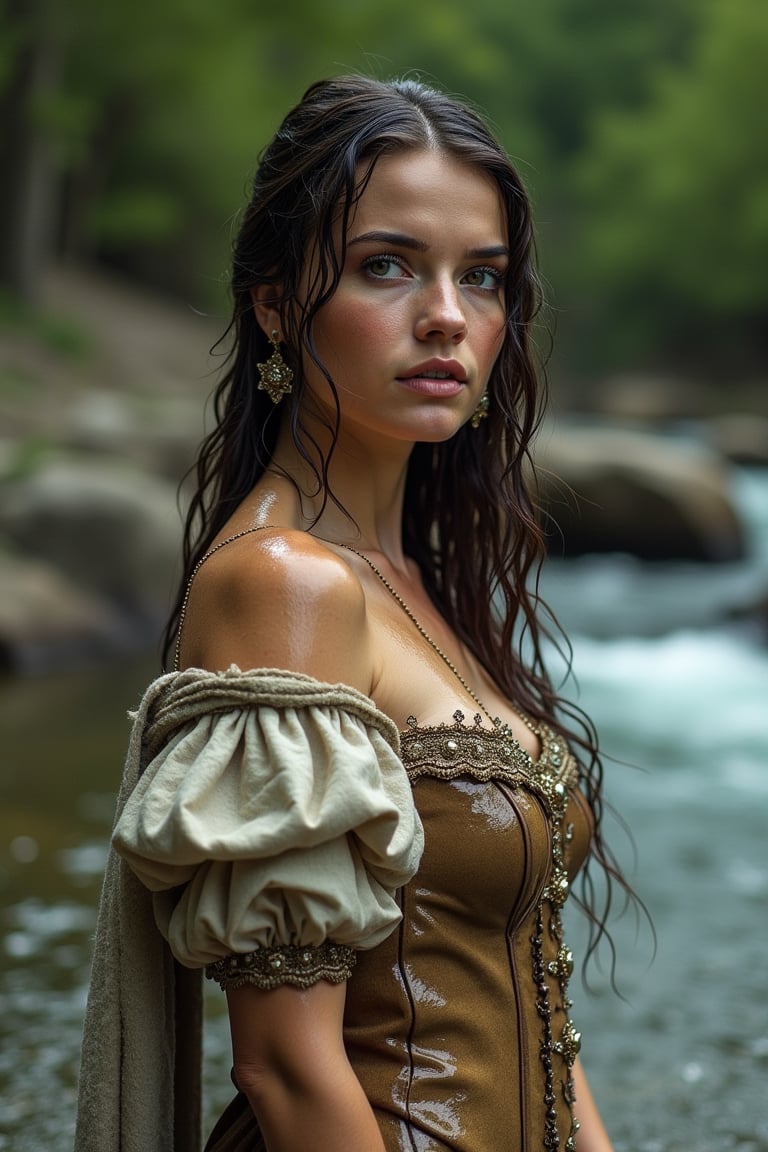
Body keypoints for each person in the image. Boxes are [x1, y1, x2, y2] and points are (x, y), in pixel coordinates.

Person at [75, 74, 630, 1152]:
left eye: (482, 278)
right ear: (276, 302)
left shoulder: (424, 580)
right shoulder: (286, 585)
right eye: (389, 267)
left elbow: (539, 1015)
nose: (446, 317)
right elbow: (285, 1066)